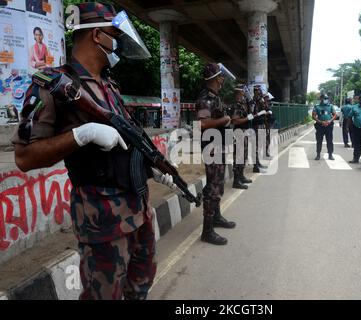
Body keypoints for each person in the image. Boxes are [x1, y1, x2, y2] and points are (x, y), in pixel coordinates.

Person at [13, 2, 174, 300]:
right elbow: (24, 157)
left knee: (141, 283)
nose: (119, 43)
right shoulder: (50, 85)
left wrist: (148, 167)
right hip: (102, 221)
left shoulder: (109, 86)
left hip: (138, 210)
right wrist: (81, 135)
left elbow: (126, 142)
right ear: (98, 36)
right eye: (115, 35)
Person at [196, 62, 236, 245]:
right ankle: (207, 230)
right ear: (214, 78)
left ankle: (217, 217)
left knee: (218, 184)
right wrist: (225, 119)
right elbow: (202, 124)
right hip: (212, 148)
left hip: (219, 146)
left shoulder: (215, 97)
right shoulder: (205, 98)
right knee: (213, 188)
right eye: (220, 76)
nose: (222, 79)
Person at [231, 84, 254, 190]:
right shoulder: (236, 104)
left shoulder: (242, 103)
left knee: (243, 155)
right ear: (239, 92)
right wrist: (247, 119)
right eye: (243, 91)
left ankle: (241, 176)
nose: (245, 92)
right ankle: (236, 181)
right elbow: (235, 120)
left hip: (244, 131)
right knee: (238, 156)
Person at [312, 93, 336, 161]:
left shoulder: (330, 106)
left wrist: (329, 121)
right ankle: (318, 154)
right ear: (321, 99)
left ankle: (330, 154)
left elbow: (335, 115)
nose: (326, 100)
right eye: (325, 99)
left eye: (327, 99)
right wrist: (321, 122)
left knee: (329, 140)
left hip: (329, 125)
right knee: (319, 141)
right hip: (320, 126)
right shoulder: (317, 106)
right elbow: (313, 116)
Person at [251, 85, 268, 172]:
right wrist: (259, 113)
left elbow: (265, 108)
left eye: (260, 91)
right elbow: (252, 113)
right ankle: (255, 166)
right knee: (256, 146)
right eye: (258, 91)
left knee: (259, 145)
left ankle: (258, 163)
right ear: (255, 91)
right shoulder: (253, 101)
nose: (260, 92)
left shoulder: (260, 101)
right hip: (256, 125)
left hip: (261, 124)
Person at [348, 94, 361, 164]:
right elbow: (350, 117)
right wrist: (349, 127)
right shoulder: (354, 107)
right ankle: (356, 158)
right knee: (357, 144)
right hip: (356, 128)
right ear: (360, 99)